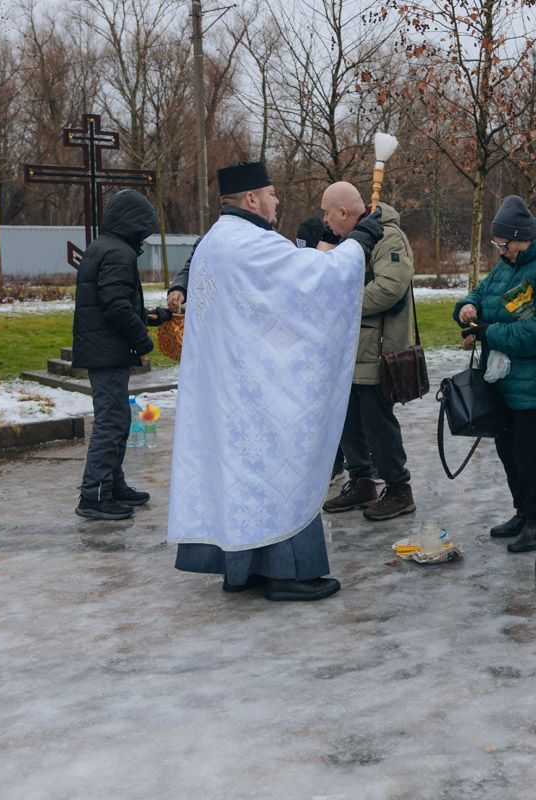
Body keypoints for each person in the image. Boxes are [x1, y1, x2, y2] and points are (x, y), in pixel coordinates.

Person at [167, 161, 385, 602]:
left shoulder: (216, 241)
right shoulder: (247, 243)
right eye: (270, 192)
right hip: (258, 391)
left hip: (230, 389)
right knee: (280, 471)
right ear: (251, 199)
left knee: (241, 480)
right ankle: (288, 573)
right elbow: (313, 280)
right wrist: (360, 241)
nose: (276, 200)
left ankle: (244, 570)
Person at [453, 196, 536, 553]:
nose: (500, 250)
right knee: (509, 449)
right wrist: (467, 307)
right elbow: (482, 292)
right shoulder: (508, 265)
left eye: (503, 244)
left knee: (530, 452)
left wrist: (490, 333)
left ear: (521, 238)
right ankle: (523, 512)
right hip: (505, 378)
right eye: (497, 244)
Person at [316, 182, 418, 520]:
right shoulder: (352, 240)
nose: (324, 220)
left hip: (378, 350)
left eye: (327, 213)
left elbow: (390, 287)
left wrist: (342, 303)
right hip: (352, 349)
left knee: (377, 421)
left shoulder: (388, 237)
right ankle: (361, 481)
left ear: (344, 212)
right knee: (348, 419)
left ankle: (398, 487)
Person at [71, 189, 161, 520]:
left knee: (118, 419)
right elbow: (116, 307)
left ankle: (112, 484)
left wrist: (155, 316)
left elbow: (117, 300)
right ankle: (94, 496)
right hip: (106, 352)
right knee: (111, 422)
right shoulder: (119, 253)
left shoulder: (105, 246)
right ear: (133, 224)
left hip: (103, 350)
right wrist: (143, 341)